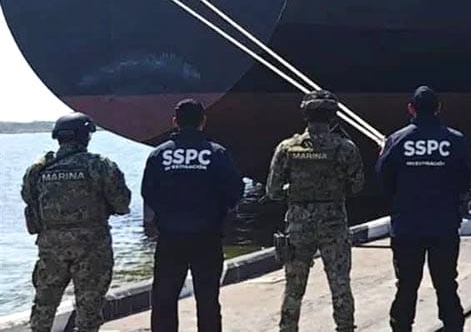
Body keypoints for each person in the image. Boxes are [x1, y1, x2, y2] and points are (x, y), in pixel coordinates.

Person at [21, 112, 131, 332]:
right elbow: (121, 204)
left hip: (51, 247)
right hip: (92, 247)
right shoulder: (100, 165)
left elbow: (28, 198)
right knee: (89, 309)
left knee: (44, 306)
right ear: (85, 136)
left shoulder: (39, 168)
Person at [375, 86, 471, 332]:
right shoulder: (455, 140)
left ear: (411, 109)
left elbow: (383, 179)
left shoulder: (396, 140)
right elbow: (466, 179)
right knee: (446, 284)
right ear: (438, 108)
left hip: (407, 225)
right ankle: (453, 326)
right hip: (444, 224)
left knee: (406, 285)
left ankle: (401, 327)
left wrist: (401, 202)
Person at [142, 99, 244, 332]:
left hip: (170, 237)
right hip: (207, 235)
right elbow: (235, 191)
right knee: (208, 299)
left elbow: (148, 192)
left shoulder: (159, 155)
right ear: (203, 121)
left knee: (164, 299)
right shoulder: (216, 153)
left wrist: (165, 216)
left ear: (174, 121)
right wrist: (218, 212)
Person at [266, 90, 364, 332]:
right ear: (333, 116)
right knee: (340, 284)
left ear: (305, 115)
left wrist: (294, 191)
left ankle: (288, 328)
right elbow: (357, 186)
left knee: (293, 288)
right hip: (334, 225)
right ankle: (345, 327)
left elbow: (273, 191)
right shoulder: (345, 148)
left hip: (299, 226)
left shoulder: (287, 148)